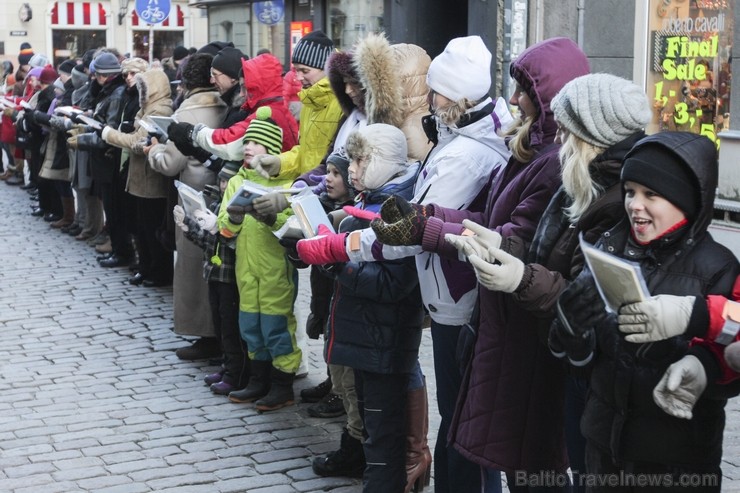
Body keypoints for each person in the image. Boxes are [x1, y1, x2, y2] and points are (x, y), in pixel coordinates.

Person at [361, 37, 590, 492]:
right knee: (486, 431)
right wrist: (429, 219)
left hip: (510, 311)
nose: (517, 98)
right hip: (496, 306)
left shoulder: (548, 162)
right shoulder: (531, 148)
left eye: (527, 90)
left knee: (516, 447)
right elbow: (491, 220)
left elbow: (516, 237)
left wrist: (420, 229)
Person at [293, 35, 514, 493]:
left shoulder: (466, 155)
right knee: (459, 418)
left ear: (451, 95)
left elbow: (409, 234)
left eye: (436, 93)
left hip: (455, 296)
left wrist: (342, 245)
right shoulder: (457, 135)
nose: (429, 102)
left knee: (461, 421)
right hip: (444, 291)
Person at [442, 73, 651, 493]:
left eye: (569, 129)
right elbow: (549, 249)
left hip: (585, 367)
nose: (561, 138)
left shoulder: (617, 196)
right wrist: (501, 242)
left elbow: (591, 296)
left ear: (593, 134)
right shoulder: (584, 177)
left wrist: (521, 278)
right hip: (560, 356)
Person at [551, 131, 739, 492]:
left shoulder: (717, 267)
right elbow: (583, 363)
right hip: (603, 451)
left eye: (651, 194)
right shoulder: (609, 247)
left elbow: (731, 355)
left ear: (686, 199)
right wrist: (570, 331)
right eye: (630, 191)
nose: (635, 204)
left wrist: (703, 365)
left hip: (677, 463)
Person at [297, 123, 424, 493]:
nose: (351, 170)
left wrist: (336, 262)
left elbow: (393, 284)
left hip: (383, 342)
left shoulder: (396, 207)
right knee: (372, 431)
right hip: (366, 339)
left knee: (383, 441)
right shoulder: (368, 200)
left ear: (383, 161)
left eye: (359, 160)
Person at [146, 53, 227, 361]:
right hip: (220, 192)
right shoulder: (225, 105)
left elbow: (170, 162)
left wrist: (153, 150)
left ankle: (206, 334)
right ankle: (222, 336)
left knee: (195, 268)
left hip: (195, 196)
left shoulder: (188, 112)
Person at [218, 107, 300, 412]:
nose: (248, 147)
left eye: (256, 143)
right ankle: (258, 379)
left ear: (271, 150)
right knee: (250, 325)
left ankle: (282, 384)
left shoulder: (285, 186)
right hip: (246, 269)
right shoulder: (238, 182)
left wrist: (272, 217)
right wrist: (236, 216)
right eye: (247, 142)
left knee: (276, 326)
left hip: (275, 269)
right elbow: (225, 228)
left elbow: (294, 228)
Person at [173, 161, 250, 395]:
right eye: (222, 180)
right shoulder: (216, 205)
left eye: (229, 181)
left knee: (230, 326)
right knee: (219, 323)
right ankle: (227, 366)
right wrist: (188, 225)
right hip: (214, 275)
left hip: (229, 278)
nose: (224, 184)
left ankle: (235, 371)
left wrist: (216, 229)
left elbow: (231, 241)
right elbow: (207, 241)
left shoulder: (236, 213)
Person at [100, 67, 174, 286]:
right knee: (142, 226)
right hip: (140, 176)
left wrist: (110, 135)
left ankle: (157, 271)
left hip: (151, 177)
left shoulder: (160, 109)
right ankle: (146, 266)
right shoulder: (148, 107)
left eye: (143, 85)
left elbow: (137, 141)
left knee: (151, 228)